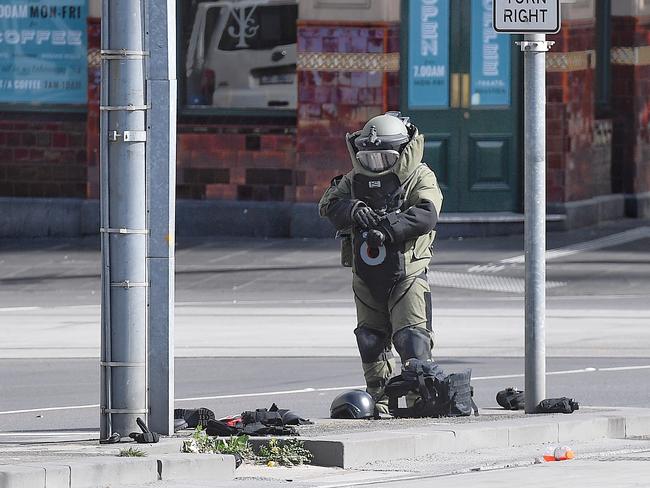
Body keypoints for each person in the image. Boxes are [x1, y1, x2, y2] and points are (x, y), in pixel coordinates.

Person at [319, 112, 443, 413]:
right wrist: (353, 209)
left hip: (407, 271)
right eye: (369, 158)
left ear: (401, 152)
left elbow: (426, 213)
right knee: (370, 337)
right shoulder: (354, 179)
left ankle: (419, 399)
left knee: (412, 337)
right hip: (366, 272)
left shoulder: (418, 175)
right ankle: (379, 396)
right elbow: (327, 204)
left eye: (383, 158)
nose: (375, 165)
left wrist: (388, 229)